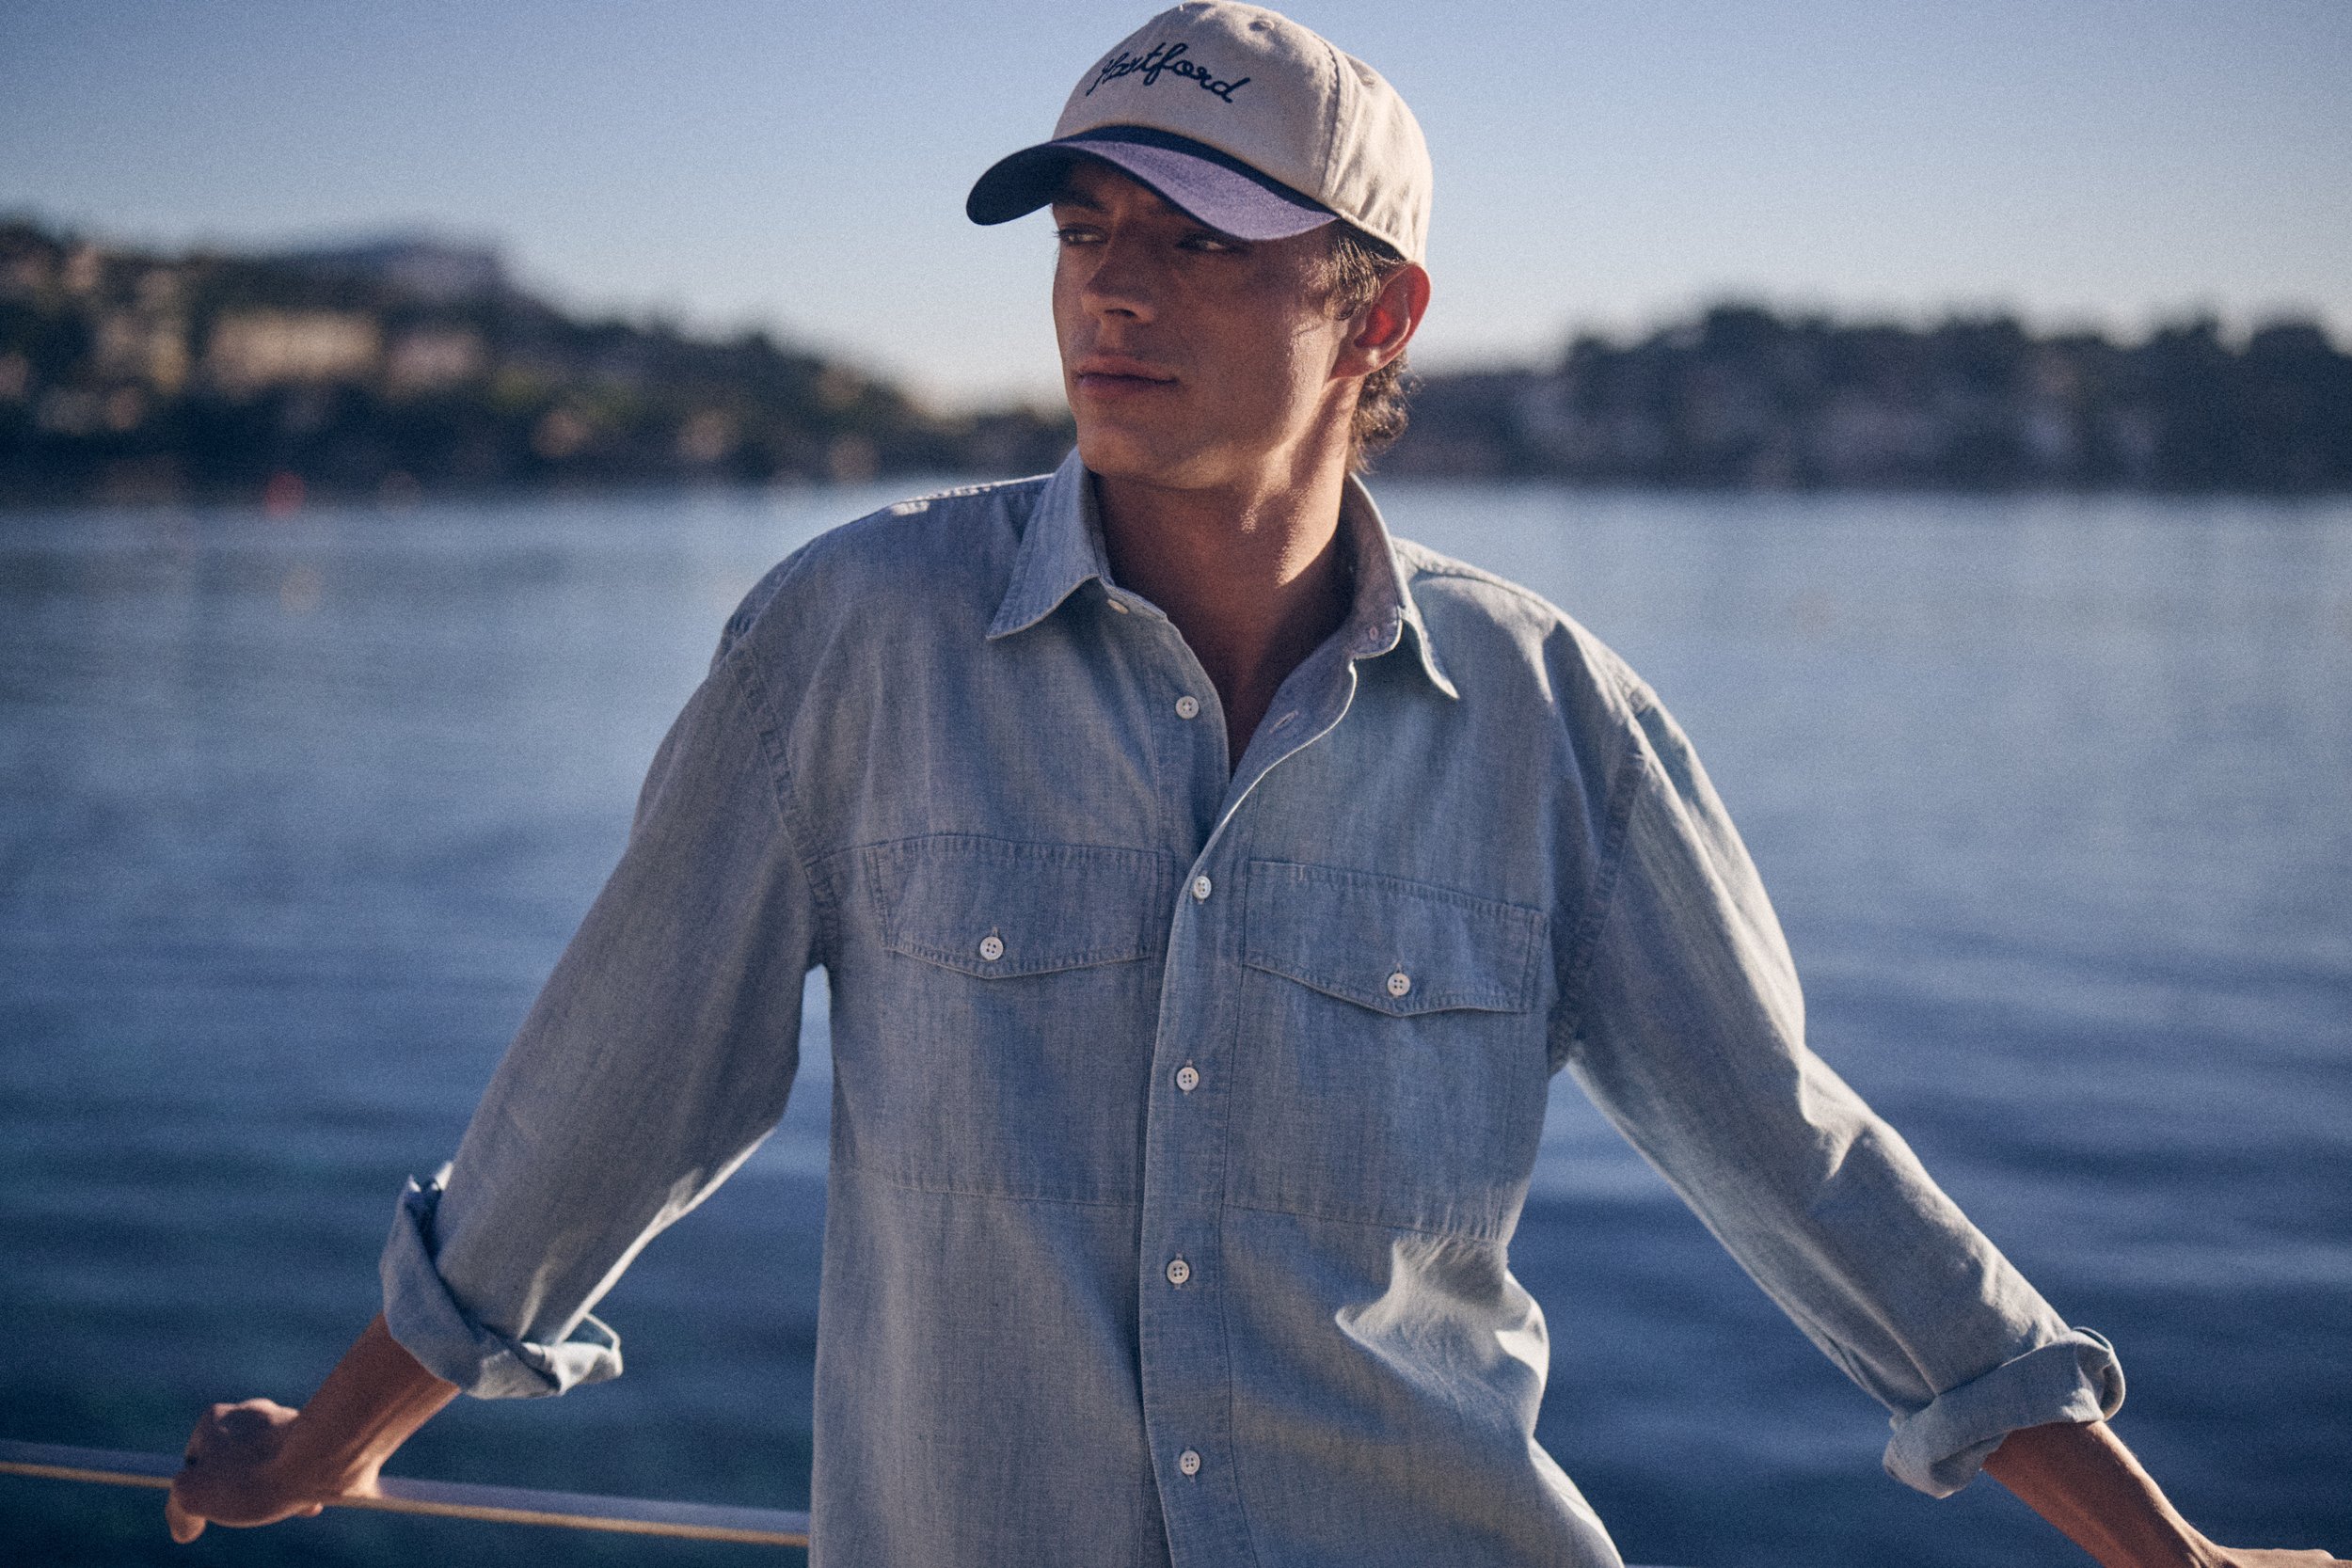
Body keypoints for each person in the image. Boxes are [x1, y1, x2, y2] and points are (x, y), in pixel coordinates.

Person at [167, 6, 2344, 1566]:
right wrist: (337, 1440)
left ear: (1373, 313)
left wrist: (2153, 1549)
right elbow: (609, 1098)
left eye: (1196, 237)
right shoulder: (852, 642)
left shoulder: (1547, 718)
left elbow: (1794, 1155)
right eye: (1081, 226)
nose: (1111, 284)